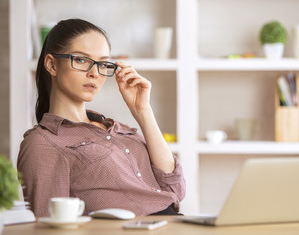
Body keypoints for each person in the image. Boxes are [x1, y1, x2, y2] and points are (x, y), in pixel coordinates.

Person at [17, 18, 186, 217]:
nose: (95, 73)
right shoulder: (43, 143)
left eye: (102, 63)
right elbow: (49, 226)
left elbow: (175, 188)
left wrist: (143, 111)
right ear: (52, 65)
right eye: (81, 60)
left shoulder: (117, 128)